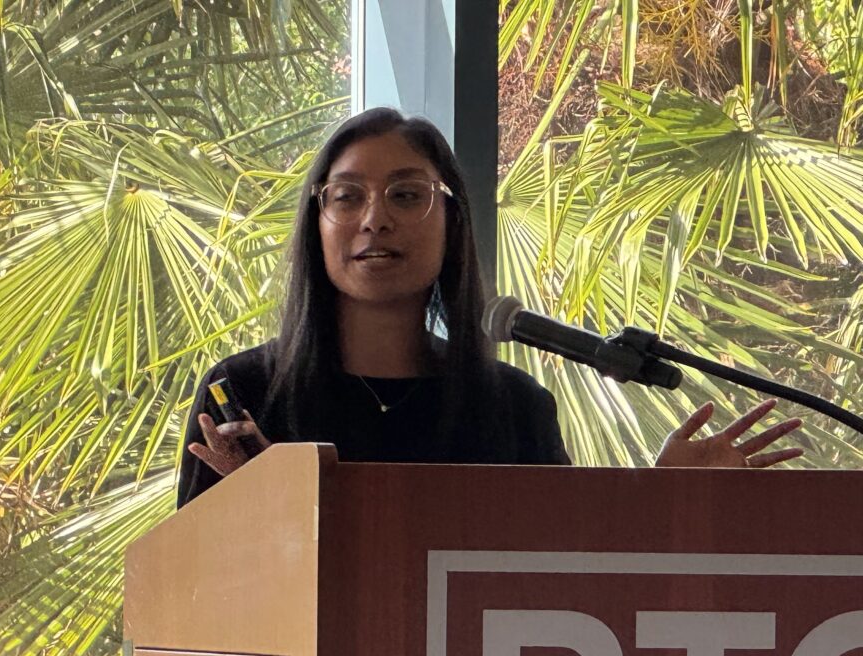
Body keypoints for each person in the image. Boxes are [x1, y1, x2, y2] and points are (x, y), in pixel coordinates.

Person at [178, 107, 805, 508]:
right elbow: (195, 600)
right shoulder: (244, 395)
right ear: (317, 224)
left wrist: (662, 503)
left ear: (453, 221)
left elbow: (565, 581)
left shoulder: (512, 407)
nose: (374, 220)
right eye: (346, 197)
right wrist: (253, 512)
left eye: (406, 195)